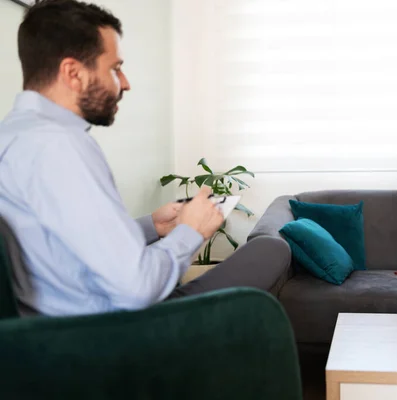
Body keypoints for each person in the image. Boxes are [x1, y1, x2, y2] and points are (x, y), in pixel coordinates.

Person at [0, 0, 287, 316]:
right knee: (270, 250)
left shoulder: (16, 135)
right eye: (115, 68)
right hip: (112, 329)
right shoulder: (58, 146)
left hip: (63, 321)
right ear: (73, 73)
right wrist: (189, 232)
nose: (125, 83)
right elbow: (136, 288)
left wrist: (153, 226)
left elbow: (68, 249)